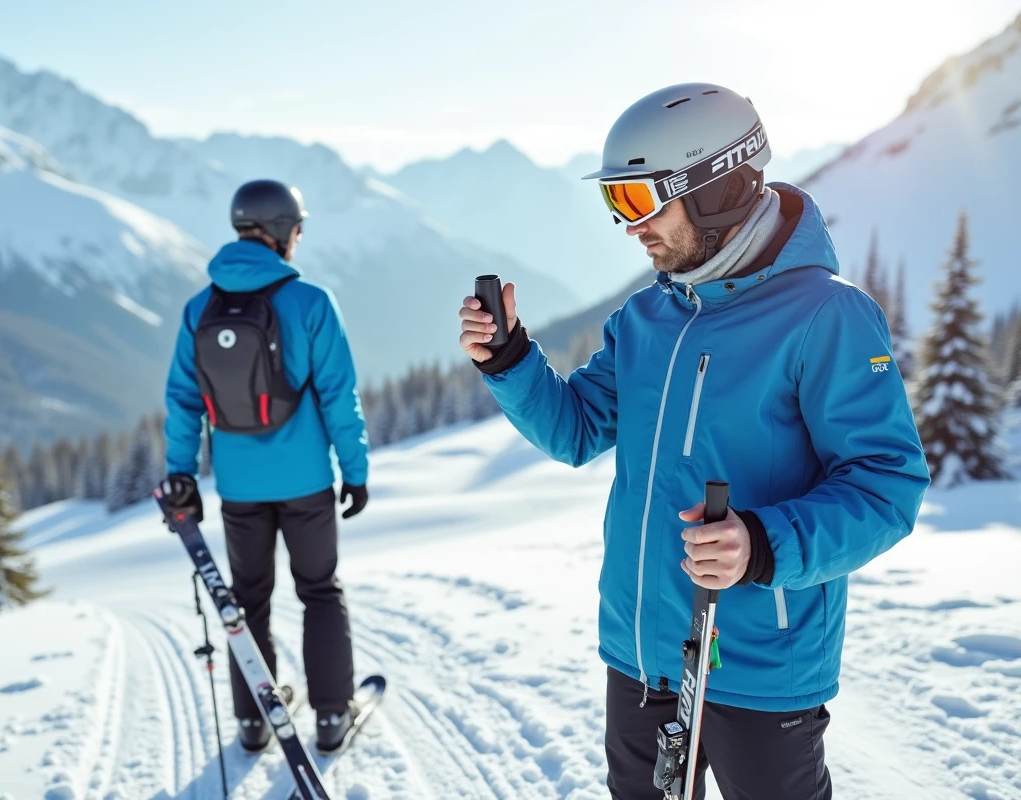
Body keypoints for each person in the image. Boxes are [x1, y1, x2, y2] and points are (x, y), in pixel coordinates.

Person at [457, 83, 929, 798]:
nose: (628, 227)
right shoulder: (649, 315)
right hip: (640, 651)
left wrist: (762, 544)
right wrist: (510, 360)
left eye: (640, 202)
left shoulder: (828, 316)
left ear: (713, 190)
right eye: (616, 203)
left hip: (760, 666)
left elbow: (886, 486)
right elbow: (578, 430)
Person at [161, 178, 371, 752]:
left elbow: (183, 398)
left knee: (246, 599)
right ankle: (332, 717)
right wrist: (354, 470)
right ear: (281, 231)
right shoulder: (310, 302)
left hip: (239, 487)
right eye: (297, 228)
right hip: (305, 483)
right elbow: (337, 396)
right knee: (320, 592)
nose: (298, 238)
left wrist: (181, 471)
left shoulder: (200, 307)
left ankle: (255, 720)